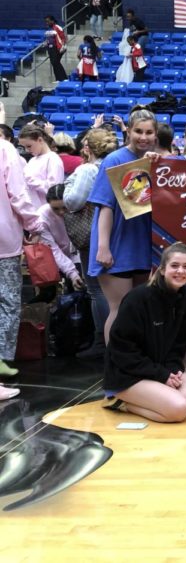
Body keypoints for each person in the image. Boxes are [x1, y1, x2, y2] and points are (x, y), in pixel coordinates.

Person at [103, 242, 186, 423]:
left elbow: (179, 345)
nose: (180, 271)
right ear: (161, 269)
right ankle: (118, 401)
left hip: (162, 369)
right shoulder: (138, 298)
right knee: (179, 409)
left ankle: (158, 394)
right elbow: (122, 350)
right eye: (174, 266)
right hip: (129, 374)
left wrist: (172, 372)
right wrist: (161, 375)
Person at [88, 108, 157, 344]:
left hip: (142, 245)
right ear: (128, 131)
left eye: (149, 132)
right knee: (119, 309)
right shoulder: (114, 159)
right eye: (138, 131)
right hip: (117, 244)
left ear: (156, 135)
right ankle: (114, 367)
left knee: (139, 311)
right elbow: (104, 206)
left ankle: (134, 364)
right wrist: (103, 247)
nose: (143, 137)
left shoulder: (155, 160)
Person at [63, 127, 117, 359]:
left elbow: (73, 201)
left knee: (97, 290)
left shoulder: (87, 168)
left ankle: (102, 341)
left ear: (87, 148)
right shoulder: (116, 164)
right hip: (115, 231)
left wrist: (66, 187)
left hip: (93, 232)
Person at [0, 137, 43, 392]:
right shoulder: (4, 149)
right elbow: (17, 193)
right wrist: (34, 224)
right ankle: (1, 361)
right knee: (6, 301)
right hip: (2, 241)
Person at [36, 184, 84, 291]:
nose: (61, 212)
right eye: (55, 209)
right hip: (58, 257)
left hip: (81, 252)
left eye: (64, 207)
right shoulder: (42, 217)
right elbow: (53, 250)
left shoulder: (77, 206)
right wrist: (72, 273)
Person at [19, 123, 65, 207]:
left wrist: (31, 181)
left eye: (29, 146)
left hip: (44, 210)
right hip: (31, 209)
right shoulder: (32, 160)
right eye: (24, 147)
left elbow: (54, 190)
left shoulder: (53, 159)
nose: (26, 150)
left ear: (40, 140)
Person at [43, 15, 68, 82]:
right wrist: (46, 43)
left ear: (52, 21)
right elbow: (50, 38)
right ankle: (58, 79)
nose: (47, 23)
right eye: (46, 22)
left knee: (55, 62)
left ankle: (64, 78)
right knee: (54, 63)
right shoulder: (49, 29)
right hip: (50, 48)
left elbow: (63, 37)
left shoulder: (57, 27)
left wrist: (63, 46)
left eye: (48, 21)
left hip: (57, 47)